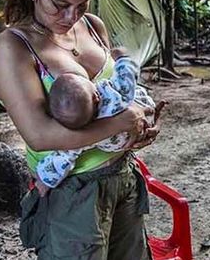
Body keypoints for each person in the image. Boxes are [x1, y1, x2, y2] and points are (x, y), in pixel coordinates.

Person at [0, 0, 159, 260]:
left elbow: (118, 93)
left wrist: (138, 125)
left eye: (81, 5)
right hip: (72, 195)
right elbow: (40, 134)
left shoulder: (93, 27)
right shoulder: (13, 48)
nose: (71, 17)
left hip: (123, 181)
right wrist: (121, 124)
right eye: (60, 4)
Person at [35, 47, 164, 191]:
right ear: (96, 96)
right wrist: (123, 58)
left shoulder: (86, 135)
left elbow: (62, 159)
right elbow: (127, 76)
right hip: (143, 119)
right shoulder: (112, 95)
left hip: (117, 144)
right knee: (131, 91)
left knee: (66, 154)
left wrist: (44, 181)